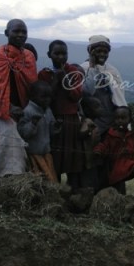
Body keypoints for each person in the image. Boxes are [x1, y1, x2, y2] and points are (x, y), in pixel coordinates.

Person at [0, 19, 37, 181]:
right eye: (16, 31)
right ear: (7, 33)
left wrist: (26, 109)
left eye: (24, 32)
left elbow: (31, 86)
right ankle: (4, 179)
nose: (20, 35)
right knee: (7, 142)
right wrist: (9, 107)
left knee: (27, 144)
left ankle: (20, 179)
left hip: (24, 108)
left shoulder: (29, 57)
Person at [38, 40, 86, 189]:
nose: (60, 57)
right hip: (53, 119)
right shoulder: (45, 74)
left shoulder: (73, 72)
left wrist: (64, 78)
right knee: (55, 157)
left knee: (72, 157)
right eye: (56, 53)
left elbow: (76, 96)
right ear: (49, 55)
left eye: (63, 53)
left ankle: (74, 191)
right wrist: (55, 80)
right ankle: (56, 188)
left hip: (71, 119)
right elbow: (45, 98)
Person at [93, 106, 134, 201]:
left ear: (129, 120)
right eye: (117, 118)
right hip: (116, 165)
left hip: (130, 163)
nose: (120, 121)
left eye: (123, 118)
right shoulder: (111, 135)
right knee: (118, 190)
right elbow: (104, 146)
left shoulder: (132, 134)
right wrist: (98, 151)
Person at [80, 35, 127, 136]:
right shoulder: (83, 69)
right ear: (90, 51)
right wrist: (92, 66)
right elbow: (87, 91)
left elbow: (119, 98)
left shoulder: (112, 71)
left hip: (111, 123)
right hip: (92, 124)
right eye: (98, 51)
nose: (102, 54)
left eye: (105, 52)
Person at [17, 80, 60, 183]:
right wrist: (33, 124)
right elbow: (23, 133)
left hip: (46, 154)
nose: (47, 100)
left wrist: (57, 127)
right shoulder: (28, 111)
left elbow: (52, 132)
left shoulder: (48, 110)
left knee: (50, 181)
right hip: (33, 155)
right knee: (38, 182)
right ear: (33, 96)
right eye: (43, 97)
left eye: (49, 97)